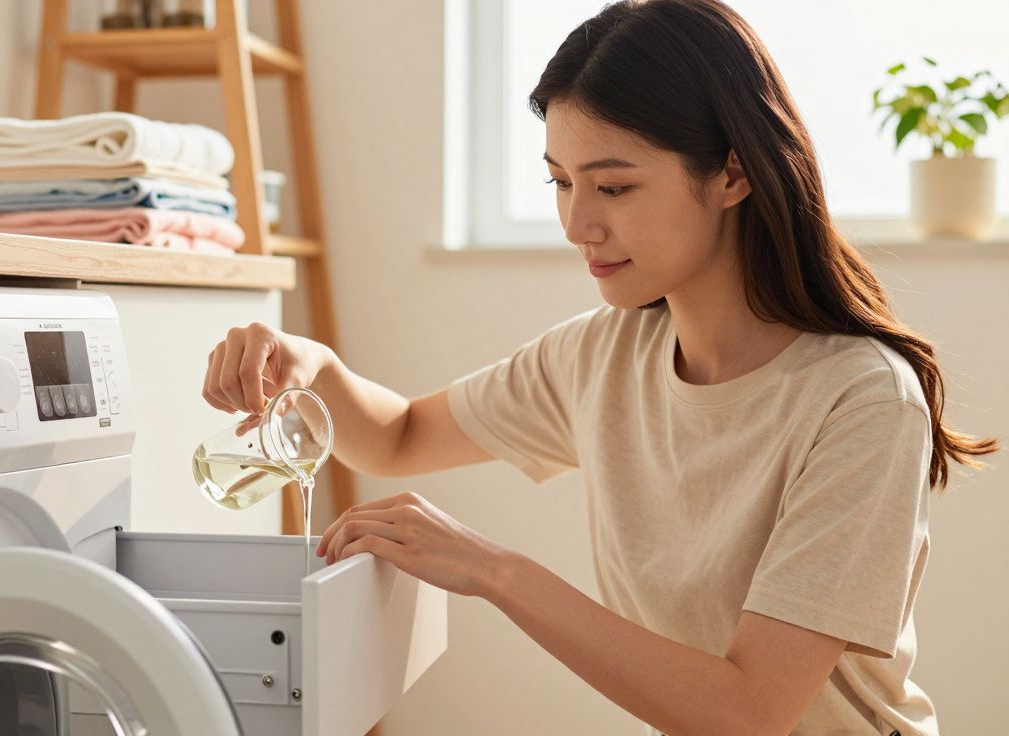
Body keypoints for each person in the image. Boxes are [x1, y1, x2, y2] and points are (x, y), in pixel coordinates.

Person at [200, 1, 997, 733]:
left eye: (613, 185)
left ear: (732, 172)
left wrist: (493, 571)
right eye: (559, 181)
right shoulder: (602, 355)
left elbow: (750, 711)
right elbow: (398, 437)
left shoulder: (861, 399)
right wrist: (306, 364)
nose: (578, 223)